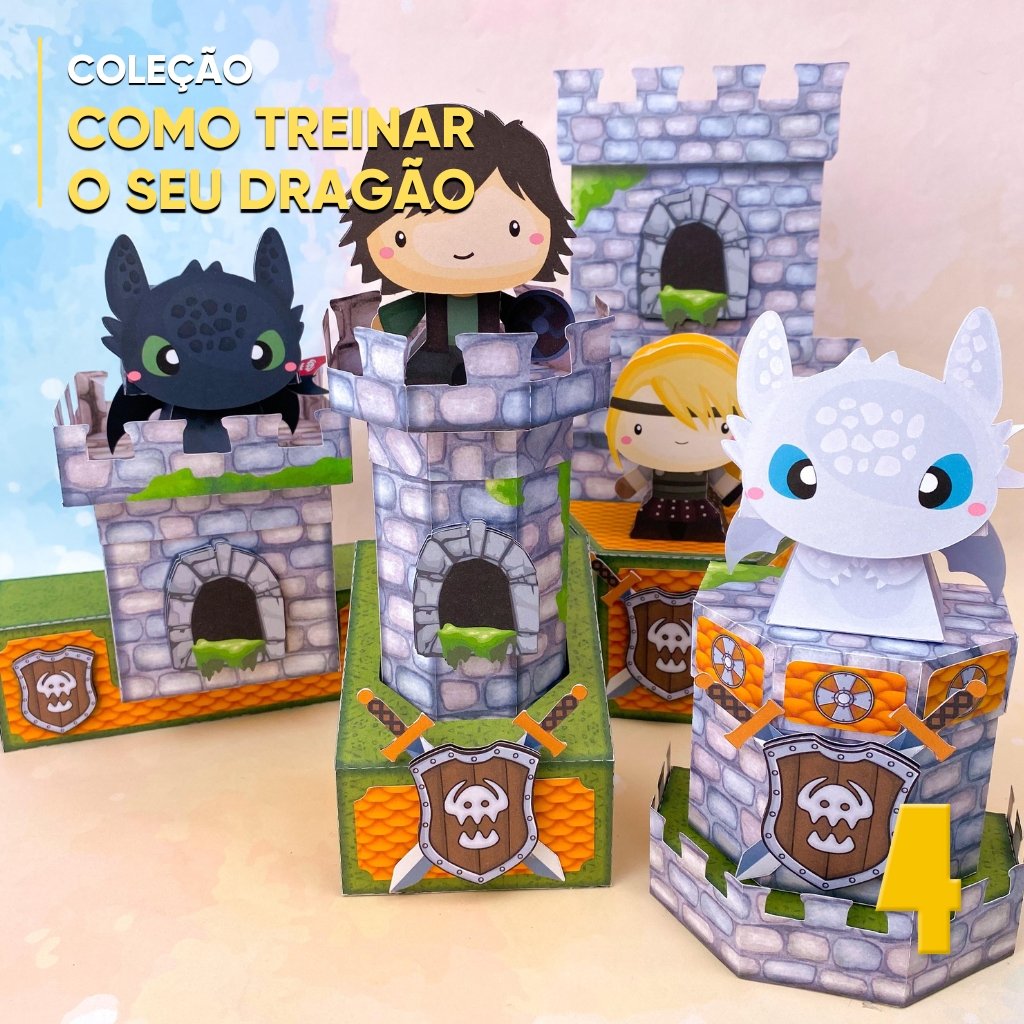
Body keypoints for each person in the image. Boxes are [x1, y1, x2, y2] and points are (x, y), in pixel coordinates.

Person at [339, 105, 576, 385]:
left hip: (489, 356)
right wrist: (386, 325)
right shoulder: (430, 296)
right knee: (425, 382)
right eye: (406, 236)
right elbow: (401, 314)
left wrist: (541, 322)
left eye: (513, 227)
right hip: (437, 355)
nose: (462, 247)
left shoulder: (494, 298)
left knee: (497, 386)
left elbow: (521, 316)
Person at [606, 334, 743, 542]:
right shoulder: (655, 461)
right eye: (638, 428)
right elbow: (639, 477)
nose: (681, 436)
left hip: (699, 508)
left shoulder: (706, 464)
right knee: (652, 527)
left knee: (703, 529)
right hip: (659, 507)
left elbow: (722, 484)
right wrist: (629, 484)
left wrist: (736, 492)